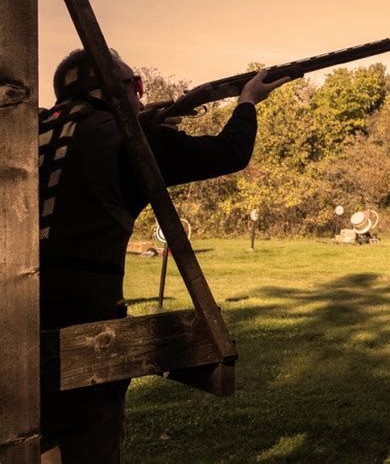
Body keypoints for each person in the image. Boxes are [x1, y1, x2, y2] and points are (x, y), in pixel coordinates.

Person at [40, 48, 287, 464]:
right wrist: (247, 102)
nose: (141, 95)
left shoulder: (28, 127)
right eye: (136, 87)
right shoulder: (130, 138)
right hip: (84, 325)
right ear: (125, 89)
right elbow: (230, 152)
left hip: (15, 316)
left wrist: (145, 120)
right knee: (88, 441)